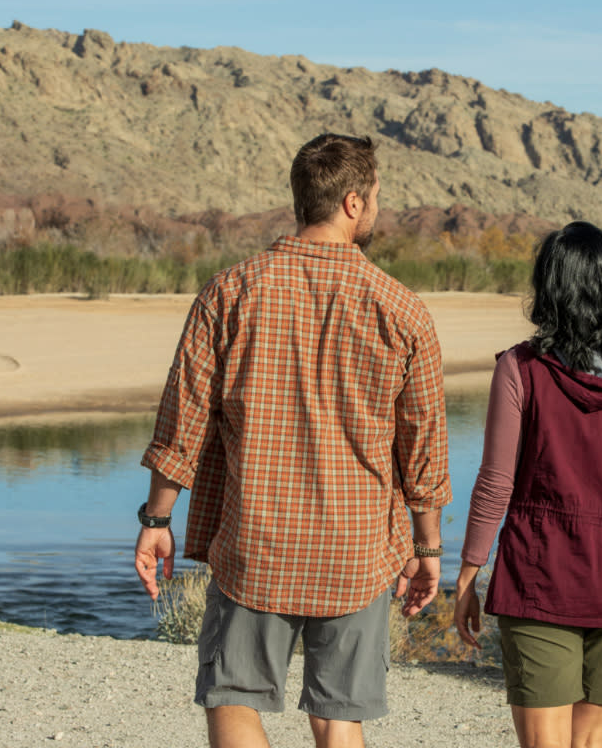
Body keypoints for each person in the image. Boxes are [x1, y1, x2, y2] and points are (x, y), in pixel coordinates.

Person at [135, 133, 452, 748]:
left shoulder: (229, 293)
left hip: (256, 540)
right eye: (378, 197)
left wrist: (156, 518)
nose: (378, 209)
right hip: (358, 549)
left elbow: (183, 424)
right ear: (354, 203)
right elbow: (423, 451)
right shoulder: (403, 311)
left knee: (233, 699)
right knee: (339, 717)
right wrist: (427, 546)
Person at [453, 221, 602, 748]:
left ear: (549, 289)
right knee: (589, 739)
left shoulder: (521, 368)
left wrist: (468, 574)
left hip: (541, 573)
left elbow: (495, 484)